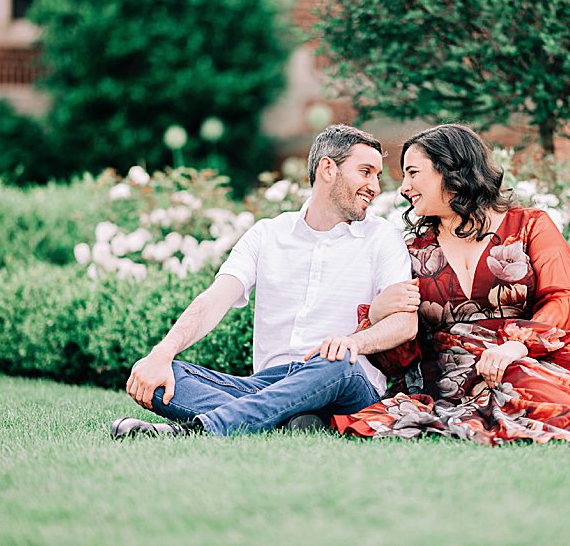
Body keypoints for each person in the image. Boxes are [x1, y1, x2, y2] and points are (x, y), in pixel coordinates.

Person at [331, 124, 570, 446]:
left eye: (413, 173)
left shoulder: (530, 225)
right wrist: (377, 313)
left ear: (451, 169)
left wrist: (517, 346)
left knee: (520, 374)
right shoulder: (413, 249)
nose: (404, 188)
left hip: (532, 354)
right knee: (512, 379)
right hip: (452, 376)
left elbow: (565, 295)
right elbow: (402, 351)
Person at [110, 124, 416, 438]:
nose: (374, 186)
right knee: (166, 374)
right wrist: (161, 354)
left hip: (343, 382)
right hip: (267, 385)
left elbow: (405, 323)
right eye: (365, 172)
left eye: (377, 176)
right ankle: (290, 420)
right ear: (328, 169)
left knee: (339, 364)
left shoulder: (383, 237)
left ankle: (199, 429)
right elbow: (214, 300)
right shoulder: (267, 234)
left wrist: (355, 342)